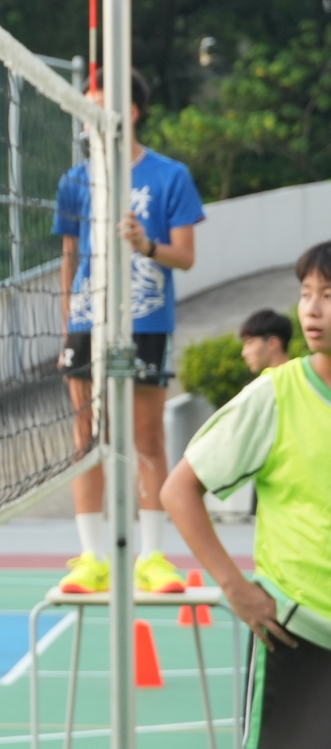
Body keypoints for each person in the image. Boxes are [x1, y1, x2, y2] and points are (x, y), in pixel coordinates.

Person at [162, 241, 331, 747]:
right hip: (300, 633)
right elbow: (179, 490)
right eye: (306, 293)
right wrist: (235, 588)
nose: (312, 308)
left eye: (328, 294)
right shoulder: (275, 395)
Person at [53, 69, 203, 594]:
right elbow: (69, 259)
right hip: (86, 323)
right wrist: (67, 325)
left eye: (97, 106)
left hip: (146, 321)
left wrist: (145, 245)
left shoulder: (169, 175)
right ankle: (91, 557)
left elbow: (185, 256)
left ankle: (152, 556)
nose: (87, 118)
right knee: (86, 438)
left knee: (146, 437)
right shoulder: (75, 182)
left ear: (129, 112)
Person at [240, 309, 295, 375]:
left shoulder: (266, 381)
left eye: (249, 343)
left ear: (273, 343)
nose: (244, 353)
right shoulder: (302, 372)